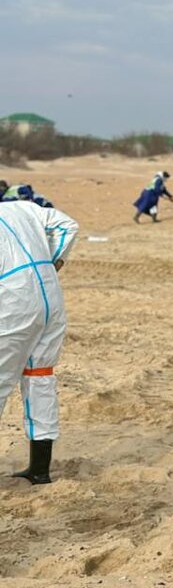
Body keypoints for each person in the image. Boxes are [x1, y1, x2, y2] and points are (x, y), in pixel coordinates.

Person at [0, 199, 79, 483]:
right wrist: (52, 262)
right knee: (40, 377)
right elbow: (68, 225)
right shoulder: (22, 208)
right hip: (49, 297)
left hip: (13, 302)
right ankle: (39, 470)